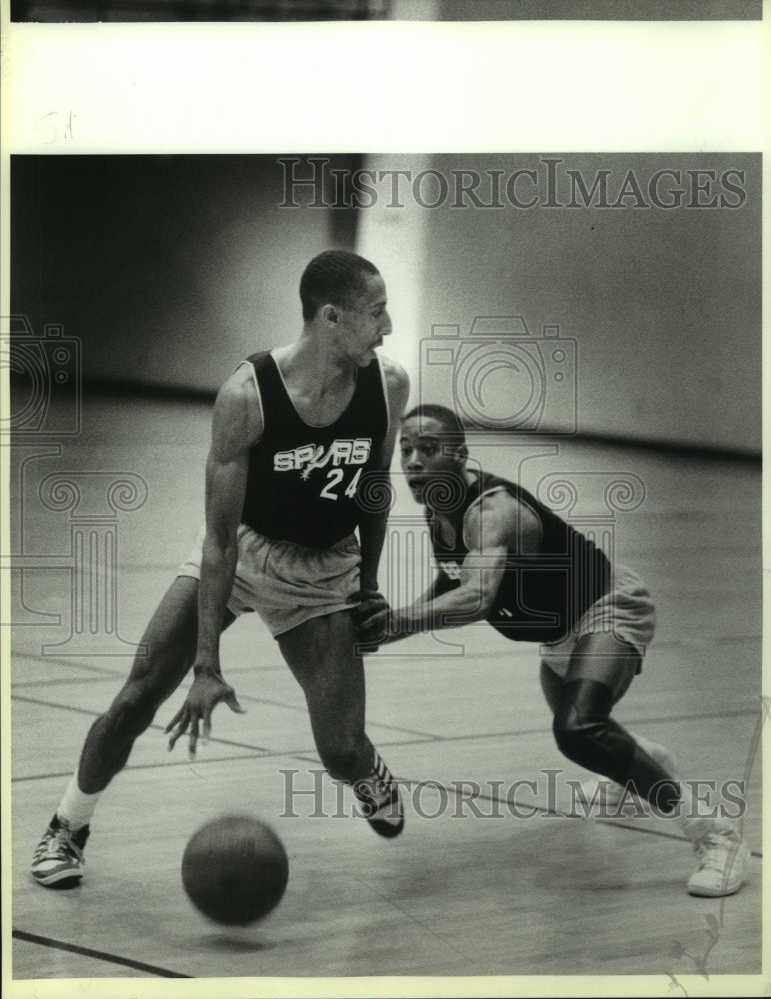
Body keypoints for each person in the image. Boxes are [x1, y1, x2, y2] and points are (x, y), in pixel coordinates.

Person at [31, 249, 411, 887]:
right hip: (245, 550)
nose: (388, 326)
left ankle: (368, 774)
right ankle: (67, 828)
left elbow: (374, 487)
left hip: (325, 570)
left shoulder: (388, 385)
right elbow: (218, 541)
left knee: (343, 749)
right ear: (331, 319)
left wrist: (368, 586)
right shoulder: (248, 396)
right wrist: (207, 663)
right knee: (137, 697)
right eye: (377, 313)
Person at [354, 403, 751, 898]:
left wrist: (393, 622)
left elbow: (477, 597)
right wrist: (391, 630)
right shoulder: (441, 507)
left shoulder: (491, 511)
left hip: (608, 607)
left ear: (460, 455)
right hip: (559, 631)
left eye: (429, 449)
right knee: (585, 731)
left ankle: (715, 835)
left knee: (579, 728)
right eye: (407, 449)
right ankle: (643, 768)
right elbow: (452, 578)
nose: (413, 461)